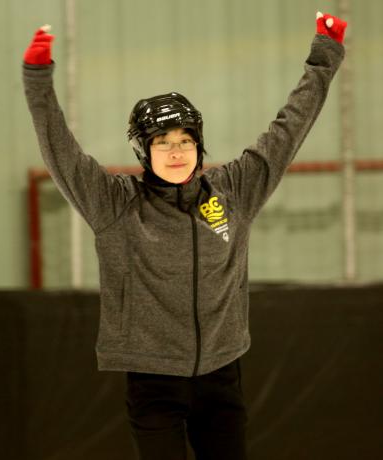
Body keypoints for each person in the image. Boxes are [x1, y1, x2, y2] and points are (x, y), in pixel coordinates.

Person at [23, 11, 346, 460]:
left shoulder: (234, 191)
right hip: (154, 384)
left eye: (185, 140)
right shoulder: (114, 204)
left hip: (222, 376)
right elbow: (60, 150)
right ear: (143, 149)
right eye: (162, 142)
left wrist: (324, 56)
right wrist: (38, 76)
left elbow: (287, 131)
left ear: (199, 144)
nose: (176, 152)